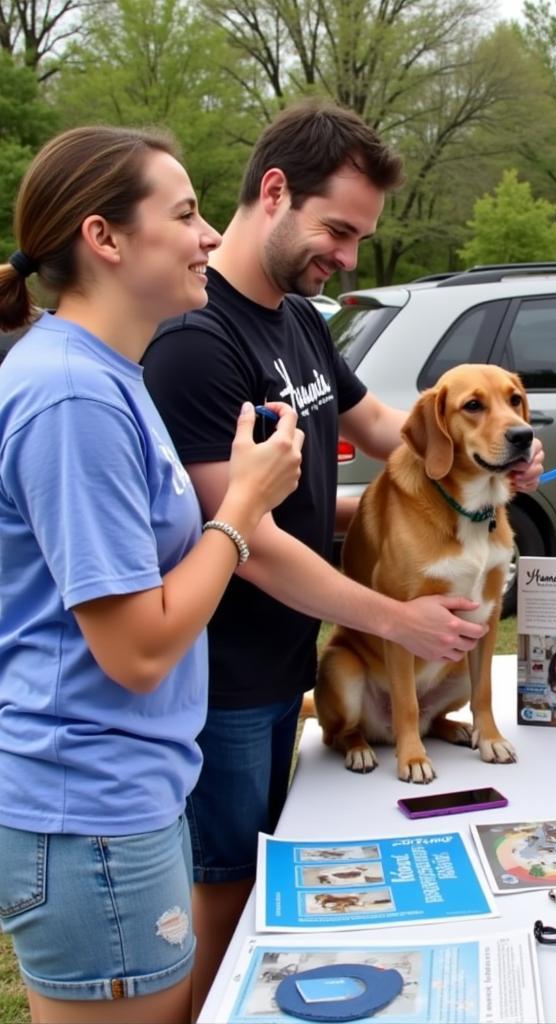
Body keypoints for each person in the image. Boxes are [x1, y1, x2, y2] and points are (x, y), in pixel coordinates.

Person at [140, 99, 542, 1010]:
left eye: (360, 237)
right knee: (227, 892)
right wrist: (396, 617)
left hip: (292, 665)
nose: (351, 257)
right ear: (274, 191)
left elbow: (385, 430)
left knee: (274, 885)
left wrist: (488, 453)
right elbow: (246, 543)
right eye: (338, 230)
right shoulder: (197, 345)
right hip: (229, 679)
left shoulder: (300, 320)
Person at [0, 127, 303, 1024]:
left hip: (125, 793)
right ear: (106, 239)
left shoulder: (109, 374)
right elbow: (135, 649)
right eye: (185, 214)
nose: (211, 234)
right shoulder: (71, 397)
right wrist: (241, 512)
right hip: (90, 807)